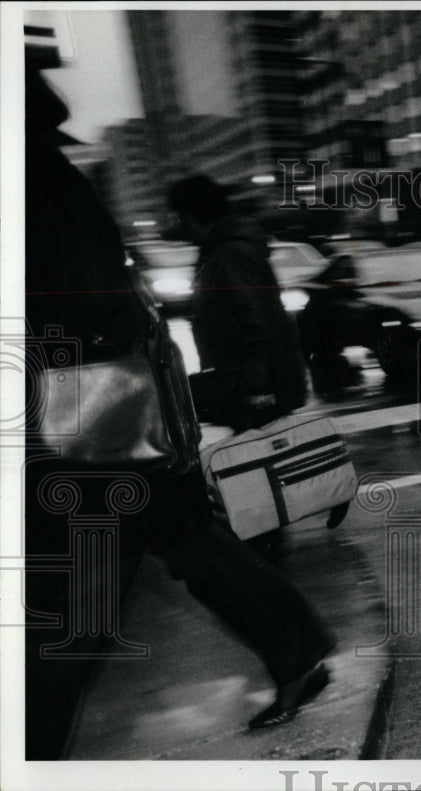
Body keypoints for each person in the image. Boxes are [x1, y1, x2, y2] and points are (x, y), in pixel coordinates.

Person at [24, 68, 333, 758]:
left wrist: (250, 387)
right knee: (179, 538)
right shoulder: (47, 177)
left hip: (88, 404)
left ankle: (29, 749)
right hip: (97, 399)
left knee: (78, 590)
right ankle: (297, 646)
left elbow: (84, 306)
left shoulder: (36, 182)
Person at [166, 174, 307, 432]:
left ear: (194, 213)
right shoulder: (218, 250)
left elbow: (256, 320)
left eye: (180, 216)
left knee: (264, 456)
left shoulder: (230, 253)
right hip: (244, 380)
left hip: (256, 386)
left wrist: (258, 388)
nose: (179, 224)